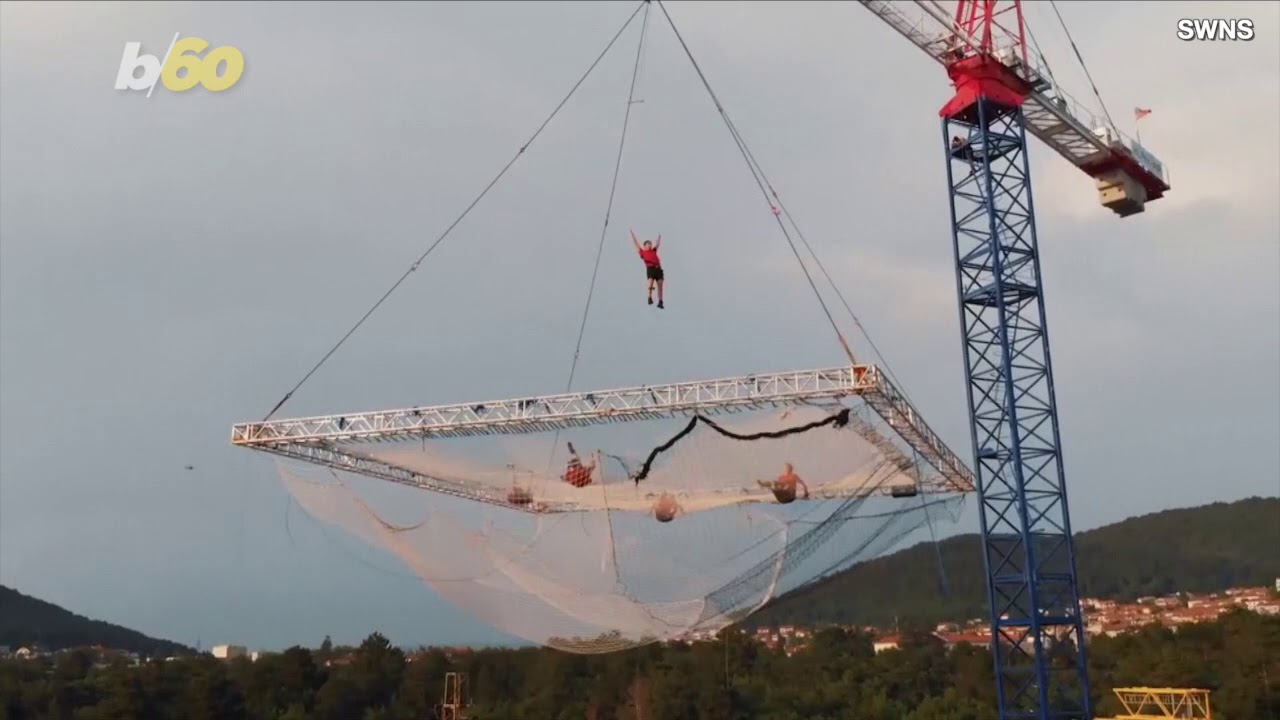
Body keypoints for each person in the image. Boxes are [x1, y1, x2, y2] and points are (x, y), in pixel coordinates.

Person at [631, 229, 664, 309]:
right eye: (648, 244)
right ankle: (649, 298)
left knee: (660, 284)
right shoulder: (642, 252)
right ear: (645, 245)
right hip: (650, 268)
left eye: (650, 244)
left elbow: (657, 244)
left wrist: (659, 237)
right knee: (651, 284)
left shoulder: (653, 251)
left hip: (658, 268)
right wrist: (632, 234)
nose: (650, 245)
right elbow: (636, 243)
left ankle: (660, 301)